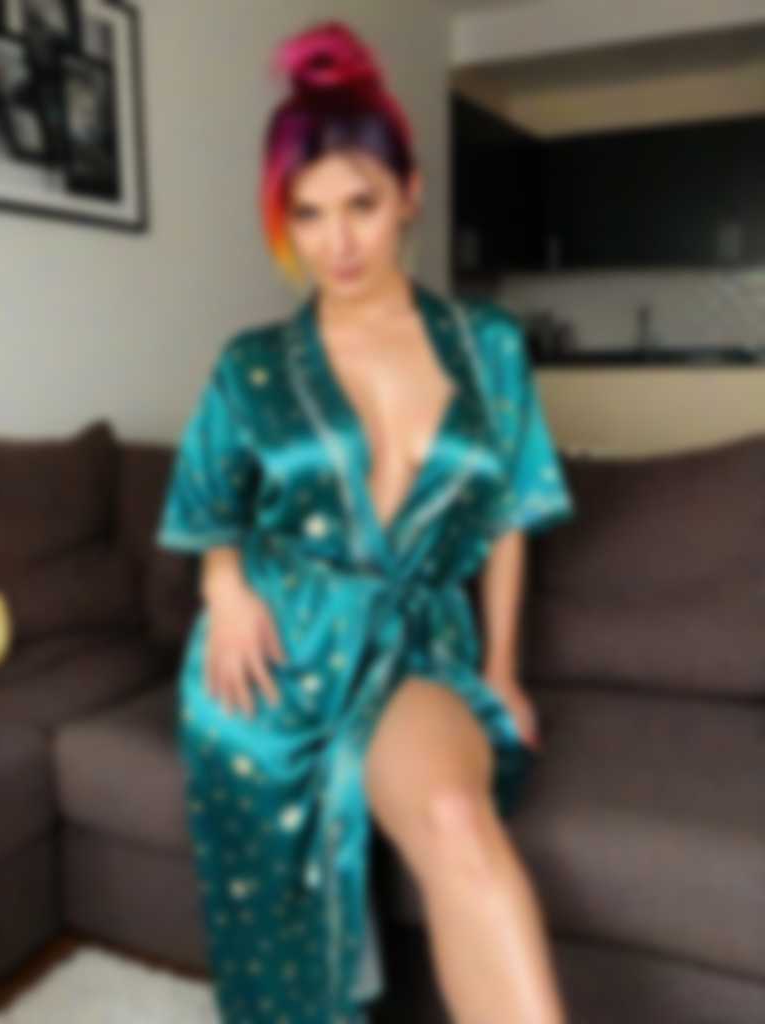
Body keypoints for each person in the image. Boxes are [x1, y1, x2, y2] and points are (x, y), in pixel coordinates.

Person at [155, 18, 576, 1024]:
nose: (336, 243)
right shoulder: (254, 363)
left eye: (361, 205)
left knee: (455, 818)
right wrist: (225, 588)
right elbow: (210, 501)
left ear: (410, 195)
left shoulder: (489, 346)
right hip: (272, 656)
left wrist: (503, 670)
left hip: (413, 641)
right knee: (276, 937)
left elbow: (510, 514)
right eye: (306, 214)